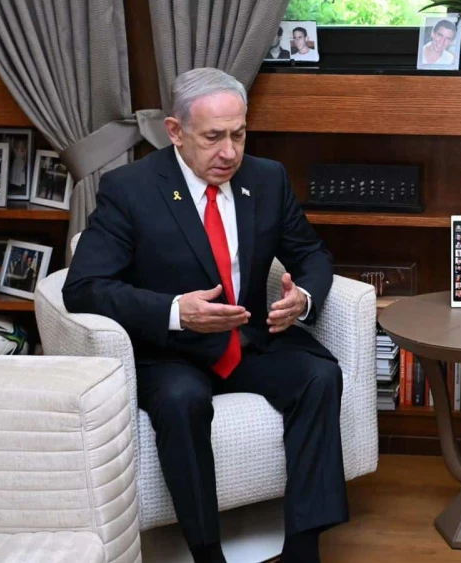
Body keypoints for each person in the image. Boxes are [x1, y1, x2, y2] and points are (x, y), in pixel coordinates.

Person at [63, 67, 346, 563]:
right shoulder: (129, 189)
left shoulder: (268, 178)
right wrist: (174, 312)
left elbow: (313, 255)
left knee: (320, 375)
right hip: (170, 352)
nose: (230, 152)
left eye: (239, 134)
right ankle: (207, 552)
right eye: (214, 137)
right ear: (175, 132)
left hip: (250, 340)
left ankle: (303, 549)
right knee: (181, 402)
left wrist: (302, 297)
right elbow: (83, 288)